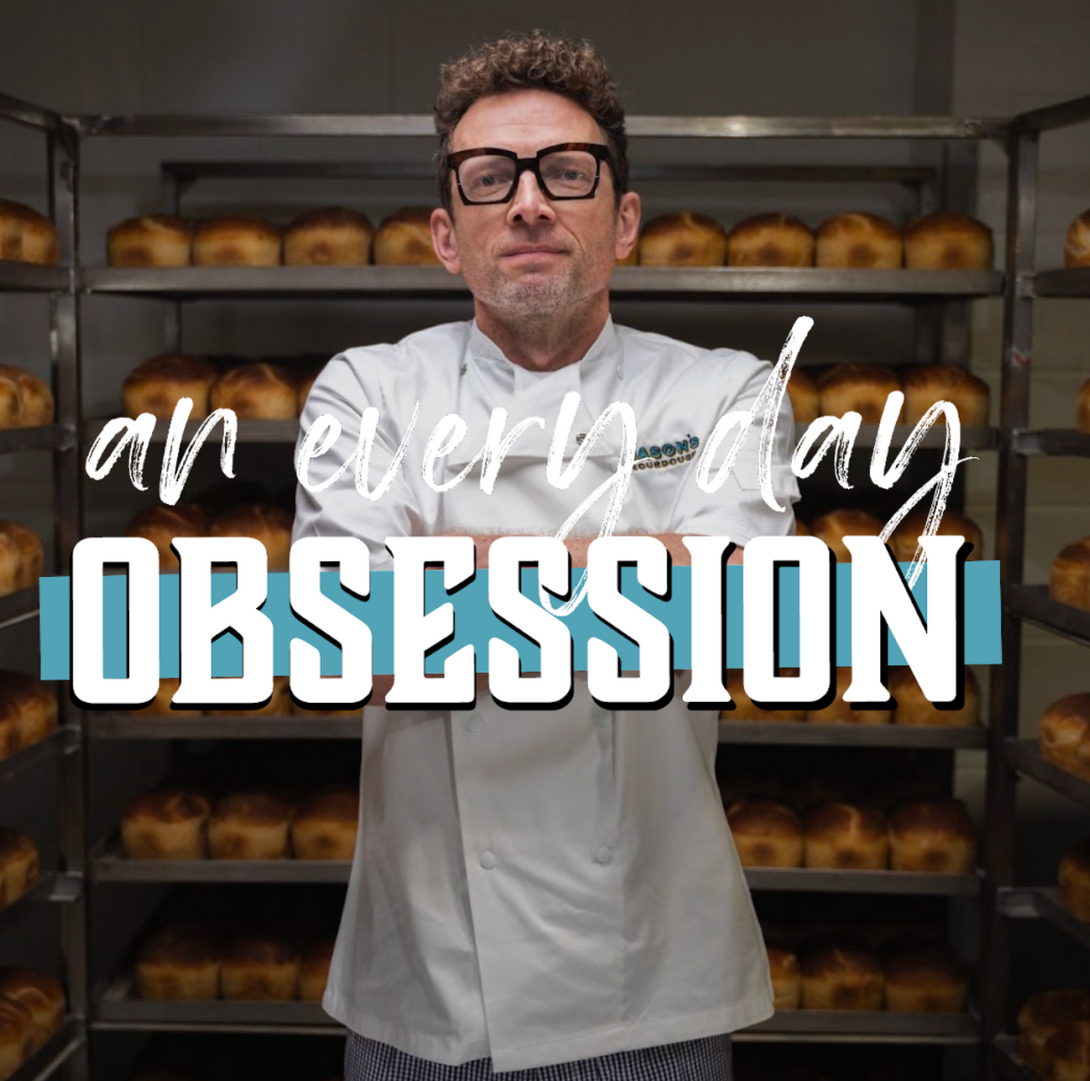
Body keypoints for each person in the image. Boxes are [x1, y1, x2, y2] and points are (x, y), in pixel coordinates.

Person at [293, 29, 799, 1080]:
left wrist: (441, 578)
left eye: (565, 173)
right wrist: (636, 574)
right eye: (490, 180)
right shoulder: (366, 390)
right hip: (424, 983)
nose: (528, 202)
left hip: (647, 985)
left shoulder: (727, 394)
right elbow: (345, 634)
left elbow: (737, 619)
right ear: (446, 235)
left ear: (622, 223)